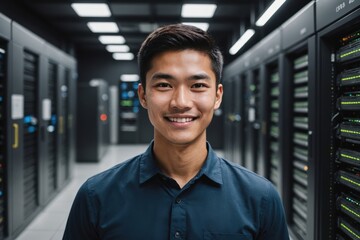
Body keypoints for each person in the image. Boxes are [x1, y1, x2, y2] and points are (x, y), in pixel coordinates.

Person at [63, 24, 289, 240]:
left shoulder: (260, 198)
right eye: (164, 85)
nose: (180, 102)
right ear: (143, 95)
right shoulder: (96, 196)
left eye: (198, 85)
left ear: (217, 96)